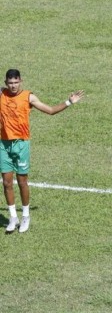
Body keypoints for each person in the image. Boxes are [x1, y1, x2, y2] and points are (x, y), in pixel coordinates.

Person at [1, 69, 84, 233]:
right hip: (3, 145)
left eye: (16, 82)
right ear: (6, 83)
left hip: (21, 144)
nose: (13, 86)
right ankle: (12, 217)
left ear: (21, 81)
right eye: (10, 83)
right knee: (7, 183)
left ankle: (25, 216)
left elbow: (51, 111)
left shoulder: (28, 97)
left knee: (22, 181)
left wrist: (69, 102)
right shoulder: (1, 94)